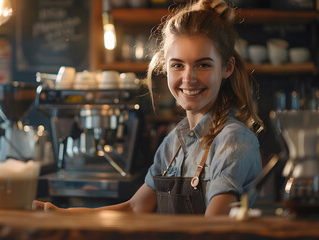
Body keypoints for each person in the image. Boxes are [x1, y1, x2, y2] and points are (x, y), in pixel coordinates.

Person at [33, 0, 264, 216]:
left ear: (227, 67)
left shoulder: (233, 140)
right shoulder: (174, 143)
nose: (188, 77)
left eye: (203, 65)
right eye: (178, 65)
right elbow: (135, 208)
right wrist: (63, 215)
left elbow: (210, 230)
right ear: (165, 67)